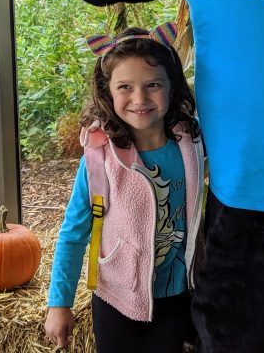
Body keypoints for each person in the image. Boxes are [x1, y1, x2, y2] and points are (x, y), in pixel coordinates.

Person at [44, 24, 205, 352]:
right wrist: (59, 303)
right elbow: (73, 234)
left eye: (153, 85)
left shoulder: (193, 146)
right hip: (115, 301)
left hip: (179, 298)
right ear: (108, 92)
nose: (140, 98)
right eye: (125, 87)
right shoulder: (99, 158)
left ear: (172, 86)